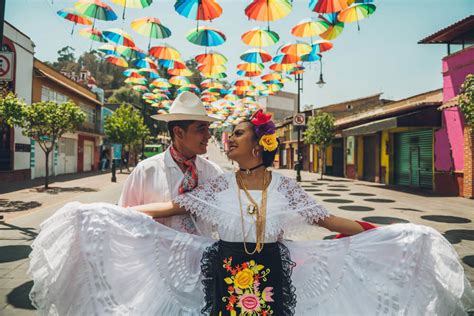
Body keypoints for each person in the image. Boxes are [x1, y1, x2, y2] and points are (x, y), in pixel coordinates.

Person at [28, 111, 474, 315]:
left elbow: (330, 221)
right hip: (224, 272)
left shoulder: (285, 186)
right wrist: (100, 214)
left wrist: (392, 231)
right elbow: (168, 206)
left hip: (274, 272)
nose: (227, 139)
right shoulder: (217, 183)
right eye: (226, 134)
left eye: (236, 133)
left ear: (259, 143)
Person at [118, 91, 222, 233]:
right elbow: (123, 218)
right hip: (156, 254)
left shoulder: (213, 173)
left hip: (202, 254)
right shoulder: (146, 171)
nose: (208, 135)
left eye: (208, 128)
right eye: (201, 129)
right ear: (179, 132)